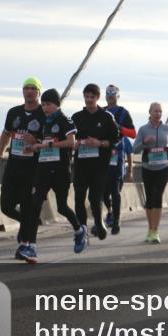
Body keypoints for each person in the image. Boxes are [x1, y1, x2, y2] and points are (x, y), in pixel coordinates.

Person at [28, 89, 84, 261]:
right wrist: (33, 145)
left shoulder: (65, 120)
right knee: (35, 205)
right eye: (43, 104)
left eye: (48, 104)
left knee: (61, 207)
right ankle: (31, 246)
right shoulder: (43, 121)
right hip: (44, 169)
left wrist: (48, 145)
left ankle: (79, 230)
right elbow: (38, 141)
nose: (45, 108)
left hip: (60, 170)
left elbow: (71, 143)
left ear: (57, 104)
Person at [0, 77, 45, 253]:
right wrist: (0, 153)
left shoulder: (44, 114)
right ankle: (29, 223)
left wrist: (37, 141)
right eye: (26, 88)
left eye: (33, 88)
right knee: (6, 205)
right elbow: (6, 133)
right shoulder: (13, 112)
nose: (29, 91)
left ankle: (25, 244)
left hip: (33, 168)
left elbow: (51, 140)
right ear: (23, 91)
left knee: (27, 204)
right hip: (14, 166)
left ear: (38, 92)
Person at [71, 83, 120, 241]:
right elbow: (69, 139)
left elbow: (115, 140)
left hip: (99, 166)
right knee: (79, 197)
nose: (89, 100)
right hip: (81, 164)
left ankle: (99, 222)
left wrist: (99, 143)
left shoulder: (106, 117)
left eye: (92, 97)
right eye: (87, 97)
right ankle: (83, 229)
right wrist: (75, 144)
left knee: (94, 197)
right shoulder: (76, 117)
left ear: (98, 98)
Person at [132, 103, 168, 244]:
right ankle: (150, 229)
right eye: (155, 111)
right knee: (149, 198)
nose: (158, 114)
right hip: (148, 167)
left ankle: (155, 231)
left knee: (157, 196)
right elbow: (135, 149)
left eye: (160, 111)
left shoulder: (167, 128)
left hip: (164, 167)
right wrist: (144, 143)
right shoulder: (143, 130)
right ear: (149, 112)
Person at [103, 84, 136, 235]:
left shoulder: (123, 112)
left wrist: (119, 128)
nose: (110, 96)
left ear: (118, 96)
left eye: (113, 94)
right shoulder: (101, 111)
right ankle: (109, 211)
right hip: (102, 155)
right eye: (108, 94)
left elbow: (133, 133)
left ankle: (116, 221)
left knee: (115, 191)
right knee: (102, 192)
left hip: (117, 156)